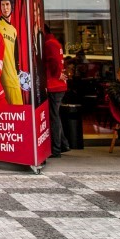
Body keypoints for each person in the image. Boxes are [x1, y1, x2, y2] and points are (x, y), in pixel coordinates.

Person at [43, 24, 69, 158]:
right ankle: (63, 144)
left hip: (54, 85)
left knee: (53, 117)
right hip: (58, 85)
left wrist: (57, 74)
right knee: (55, 115)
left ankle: (56, 148)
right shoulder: (54, 42)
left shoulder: (49, 44)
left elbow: (54, 62)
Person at [0, 0, 24, 105]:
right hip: (1, 78)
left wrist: (17, 72)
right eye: (2, 5)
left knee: (18, 110)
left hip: (13, 77)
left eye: (7, 4)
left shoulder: (14, 30)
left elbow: (15, 54)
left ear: (12, 5)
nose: (5, 8)